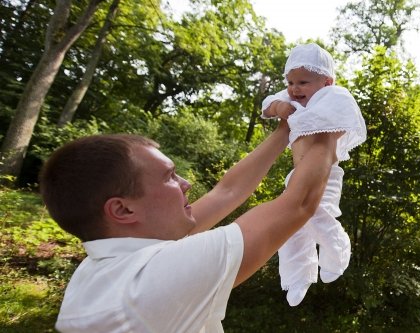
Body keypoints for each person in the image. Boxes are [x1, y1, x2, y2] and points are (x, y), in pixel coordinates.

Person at [39, 119, 343, 332]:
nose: (186, 183)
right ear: (122, 208)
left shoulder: (103, 268)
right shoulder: (146, 284)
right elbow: (297, 205)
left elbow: (226, 192)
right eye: (169, 176)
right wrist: (328, 124)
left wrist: (285, 129)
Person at [261, 43, 366, 306]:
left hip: (326, 175)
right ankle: (298, 277)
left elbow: (345, 120)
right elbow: (265, 106)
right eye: (290, 82)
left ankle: (337, 247)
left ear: (327, 81)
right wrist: (278, 109)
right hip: (297, 174)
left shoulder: (335, 97)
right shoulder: (292, 100)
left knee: (316, 215)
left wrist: (296, 118)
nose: (295, 89)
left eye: (303, 82)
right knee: (291, 225)